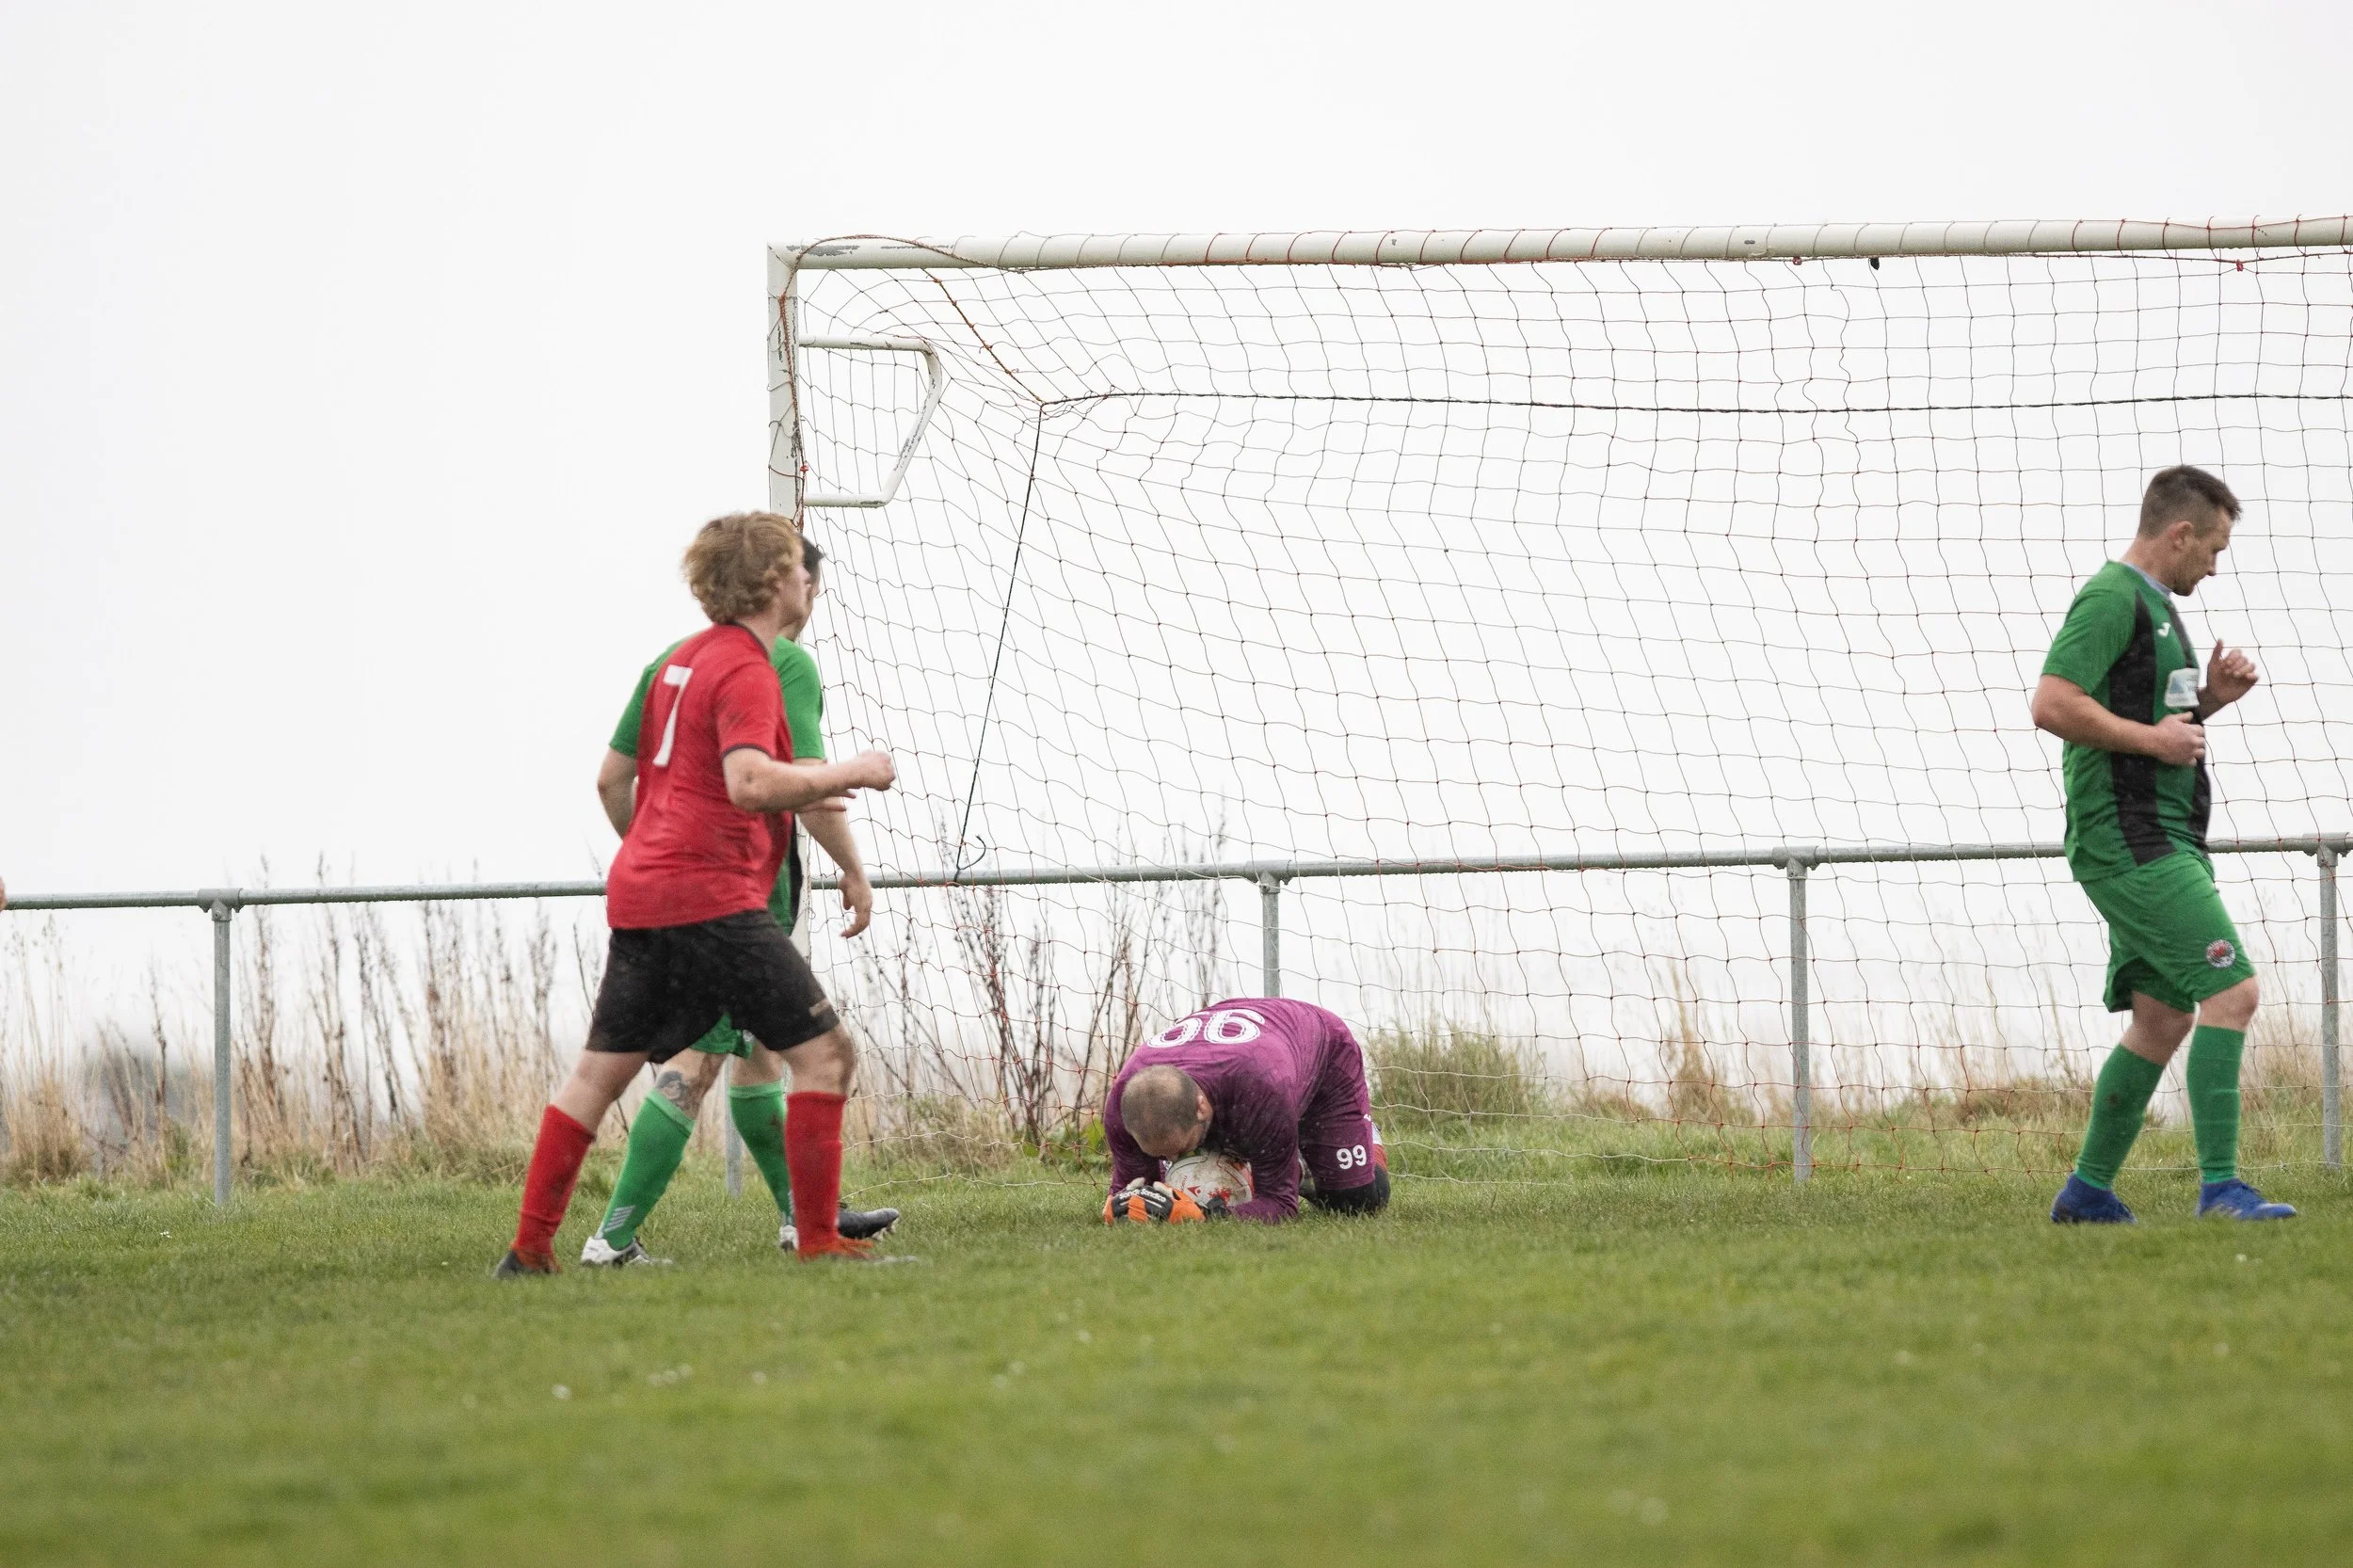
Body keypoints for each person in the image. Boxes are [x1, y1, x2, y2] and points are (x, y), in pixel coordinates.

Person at [495, 511, 896, 1275]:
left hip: (643, 892)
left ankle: (530, 1248)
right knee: (825, 1057)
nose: (810, 584)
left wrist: (652, 852)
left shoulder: (675, 661)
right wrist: (853, 771)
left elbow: (615, 779)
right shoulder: (753, 665)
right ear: (777, 580)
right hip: (714, 898)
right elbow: (750, 782)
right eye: (801, 570)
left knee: (598, 1073)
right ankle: (817, 1241)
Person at [2032, 465, 2294, 1224]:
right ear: (2178, 534)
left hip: (2161, 834)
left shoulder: (2158, 608)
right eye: (2210, 549)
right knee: (2233, 993)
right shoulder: (2113, 598)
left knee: (2163, 1018)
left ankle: (2085, 1194)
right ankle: (2222, 1190)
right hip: (2132, 839)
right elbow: (2052, 702)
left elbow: (2157, 722)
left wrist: (2211, 699)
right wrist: (2153, 738)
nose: (2213, 567)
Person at [1103, 998, 1389, 1224]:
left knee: (1353, 1202)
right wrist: (1128, 1207)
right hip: (1245, 1060)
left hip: (1320, 1046)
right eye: (1163, 1157)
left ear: (1200, 1107)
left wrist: (1206, 1216)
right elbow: (1131, 1192)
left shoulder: (1261, 1090)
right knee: (1234, 1138)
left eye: (1180, 1149)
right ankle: (1287, 1161)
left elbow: (1281, 1205)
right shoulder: (1123, 1102)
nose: (1174, 1161)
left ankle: (1359, 1139)